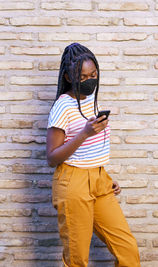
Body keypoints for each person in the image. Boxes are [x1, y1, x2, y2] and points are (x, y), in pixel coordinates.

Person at [46, 43, 140, 267]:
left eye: (94, 74)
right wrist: (84, 133)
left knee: (128, 250)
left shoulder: (91, 101)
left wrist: (103, 176)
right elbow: (51, 157)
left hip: (99, 180)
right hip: (73, 183)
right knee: (77, 259)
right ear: (69, 77)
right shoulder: (63, 106)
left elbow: (92, 150)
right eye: (83, 76)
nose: (90, 80)